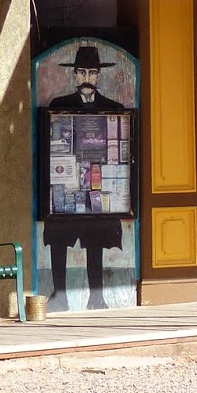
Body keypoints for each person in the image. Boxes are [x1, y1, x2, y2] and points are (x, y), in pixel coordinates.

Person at [45, 42, 127, 310]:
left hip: (99, 184)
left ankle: (96, 296)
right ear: (74, 75)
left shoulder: (113, 107)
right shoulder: (60, 105)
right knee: (58, 239)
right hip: (65, 187)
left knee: (96, 240)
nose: (87, 79)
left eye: (92, 73)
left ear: (99, 76)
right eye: (82, 73)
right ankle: (60, 296)